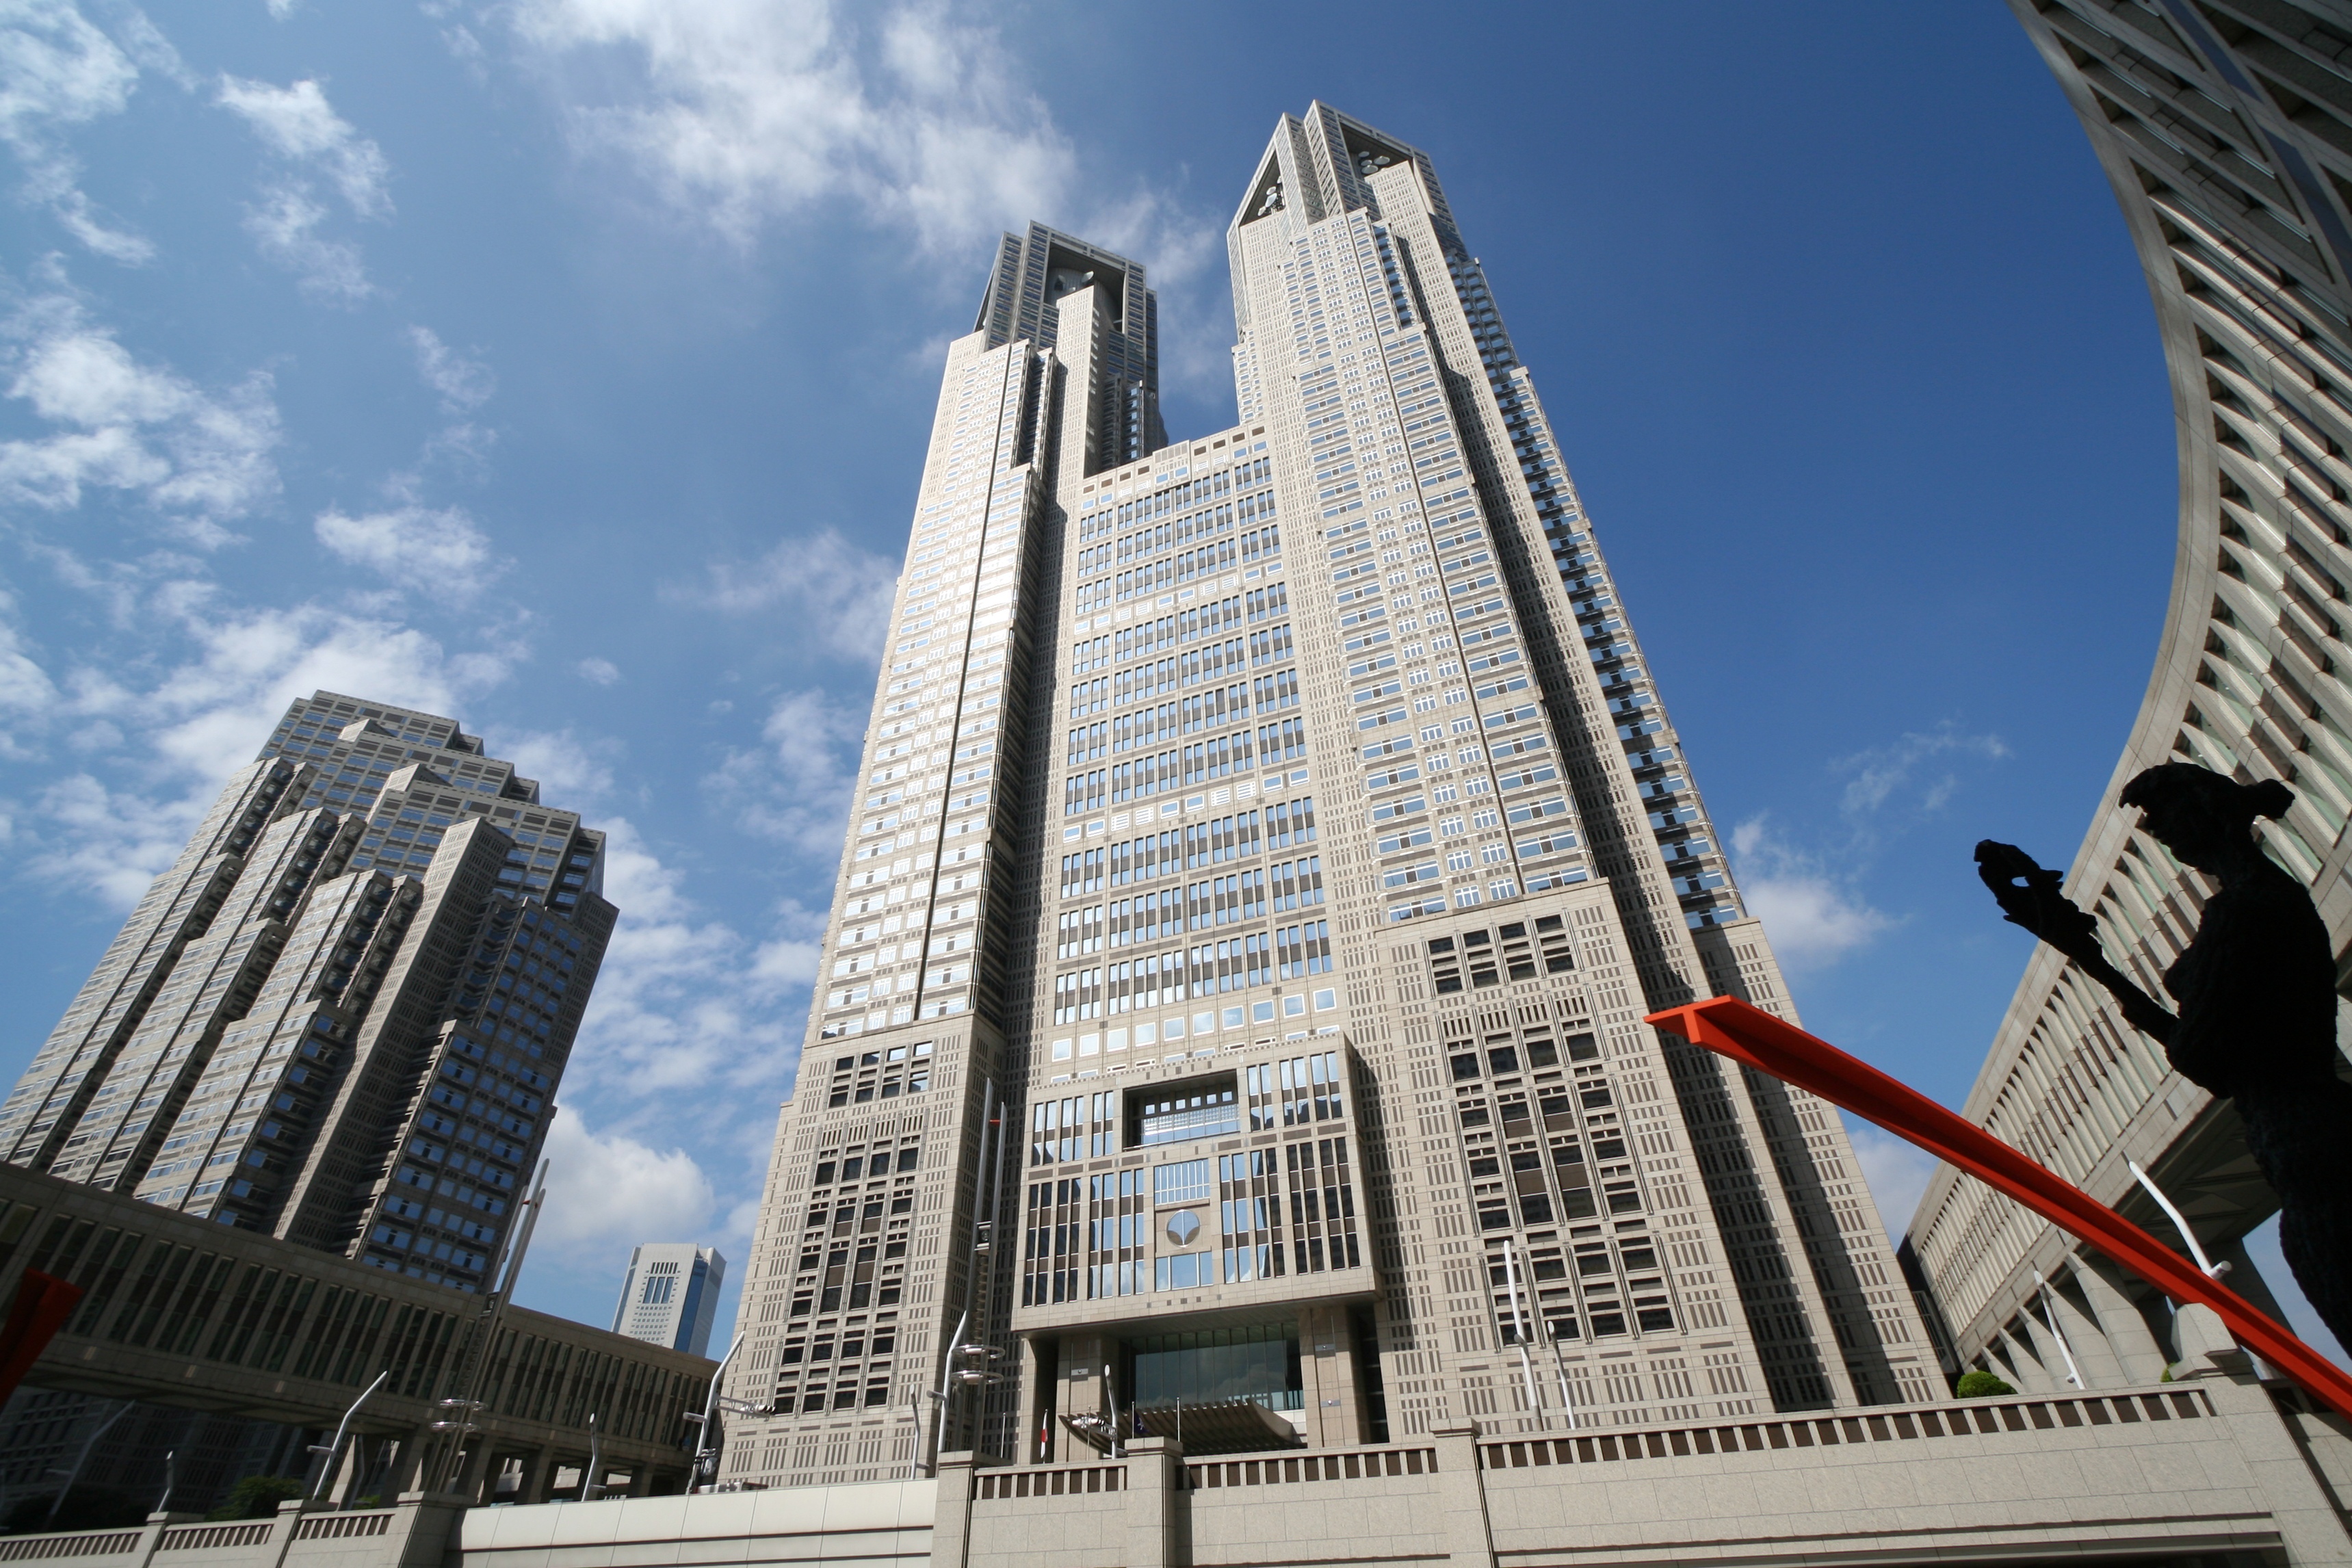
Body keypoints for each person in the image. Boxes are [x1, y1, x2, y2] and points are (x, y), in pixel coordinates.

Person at [1976, 763, 2351, 1355]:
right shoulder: (2268, 898)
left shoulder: (2243, 910)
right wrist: (2098, 968)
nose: (2157, 832)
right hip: (2302, 1134)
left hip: (2307, 1143)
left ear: (2205, 813)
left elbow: (2200, 1057)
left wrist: (2104, 972)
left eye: (2162, 817)